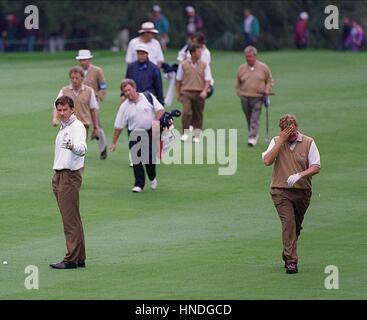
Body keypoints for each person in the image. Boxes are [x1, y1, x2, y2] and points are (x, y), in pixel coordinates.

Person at [262, 114, 321, 274]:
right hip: (280, 191)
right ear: (282, 131)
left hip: (302, 191)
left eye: (294, 132)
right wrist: (280, 141)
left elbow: (316, 166)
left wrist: (299, 175)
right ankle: (291, 260)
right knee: (288, 222)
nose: (292, 136)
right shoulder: (277, 141)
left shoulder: (308, 142)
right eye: (288, 133)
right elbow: (267, 161)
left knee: (295, 227)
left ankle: (287, 251)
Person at [50, 96, 87, 269]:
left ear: (72, 109)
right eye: (59, 110)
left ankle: (71, 259)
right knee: (74, 219)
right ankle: (79, 257)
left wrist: (73, 146)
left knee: (69, 221)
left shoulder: (77, 127)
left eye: (65, 109)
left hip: (69, 176)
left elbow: (82, 148)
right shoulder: (65, 127)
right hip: (60, 175)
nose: (62, 113)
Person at [111, 79, 165, 193]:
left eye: (129, 90)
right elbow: (118, 126)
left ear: (135, 89)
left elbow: (160, 110)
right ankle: (139, 184)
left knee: (149, 158)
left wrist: (156, 120)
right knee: (136, 159)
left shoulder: (147, 96)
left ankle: (152, 177)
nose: (128, 93)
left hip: (150, 131)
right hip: (134, 134)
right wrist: (114, 143)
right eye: (125, 91)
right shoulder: (124, 107)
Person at [52, 67, 99, 156]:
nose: (74, 80)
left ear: (82, 78)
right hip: (67, 124)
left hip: (83, 124)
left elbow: (93, 109)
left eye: (77, 78)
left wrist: (96, 126)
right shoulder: (64, 90)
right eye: (72, 78)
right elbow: (56, 106)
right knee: (66, 150)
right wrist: (55, 119)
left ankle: (76, 167)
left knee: (79, 149)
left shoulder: (89, 91)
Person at [235, 46, 273, 147]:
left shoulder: (263, 67)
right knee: (248, 116)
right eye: (247, 56)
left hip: (258, 97)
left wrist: (267, 89)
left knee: (255, 117)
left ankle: (252, 136)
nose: (248, 58)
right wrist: (239, 92)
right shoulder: (241, 68)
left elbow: (269, 80)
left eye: (250, 56)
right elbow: (237, 83)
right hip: (245, 97)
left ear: (255, 56)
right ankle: (253, 133)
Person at [176, 44, 212, 143]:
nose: (200, 53)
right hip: (186, 92)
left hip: (199, 93)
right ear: (192, 53)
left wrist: (205, 91)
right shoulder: (183, 64)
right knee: (186, 112)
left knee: (198, 114)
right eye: (198, 51)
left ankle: (197, 134)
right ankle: (185, 133)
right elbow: (178, 80)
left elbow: (208, 80)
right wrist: (177, 93)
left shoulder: (204, 64)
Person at [76, 49, 108, 160]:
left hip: (93, 103)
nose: (82, 62)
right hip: (80, 104)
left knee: (97, 126)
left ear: (89, 59)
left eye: (84, 60)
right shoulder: (77, 71)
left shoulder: (97, 71)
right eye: (81, 60)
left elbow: (103, 86)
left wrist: (98, 96)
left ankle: (103, 148)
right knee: (80, 127)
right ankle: (80, 150)